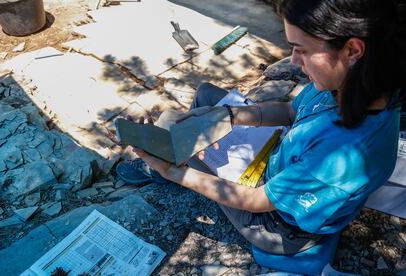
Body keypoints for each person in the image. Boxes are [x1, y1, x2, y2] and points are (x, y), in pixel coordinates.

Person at [117, 0, 406, 254]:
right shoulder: (354, 82)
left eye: (301, 50)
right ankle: (176, 153)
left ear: (352, 50)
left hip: (277, 226)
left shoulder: (343, 153)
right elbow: (290, 110)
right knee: (206, 96)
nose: (293, 60)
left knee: (187, 148)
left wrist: (171, 169)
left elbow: (255, 200)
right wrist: (227, 116)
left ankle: (158, 167)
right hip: (281, 161)